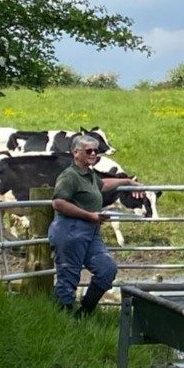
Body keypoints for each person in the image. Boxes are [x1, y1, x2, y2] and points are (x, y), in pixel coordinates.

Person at [48, 135, 143, 317]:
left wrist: (128, 181)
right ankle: (64, 320)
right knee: (68, 277)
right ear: (75, 153)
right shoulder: (69, 176)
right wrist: (89, 215)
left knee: (107, 269)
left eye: (96, 151)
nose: (93, 154)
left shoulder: (89, 174)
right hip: (70, 231)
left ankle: (84, 313)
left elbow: (102, 185)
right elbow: (58, 203)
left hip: (91, 232)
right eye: (88, 151)